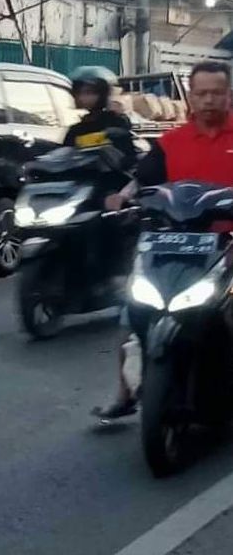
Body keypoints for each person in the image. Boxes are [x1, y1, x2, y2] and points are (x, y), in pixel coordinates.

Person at [95, 60, 233, 420]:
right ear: (190, 96)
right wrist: (122, 198)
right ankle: (126, 392)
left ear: (228, 95)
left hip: (227, 248)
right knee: (132, 313)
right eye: (201, 93)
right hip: (174, 246)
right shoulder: (171, 143)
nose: (208, 100)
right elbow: (142, 181)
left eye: (217, 93)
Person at [63, 66, 136, 169]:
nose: (82, 97)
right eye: (78, 92)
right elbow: (64, 157)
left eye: (88, 92)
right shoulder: (76, 129)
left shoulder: (116, 123)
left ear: (103, 94)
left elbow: (127, 159)